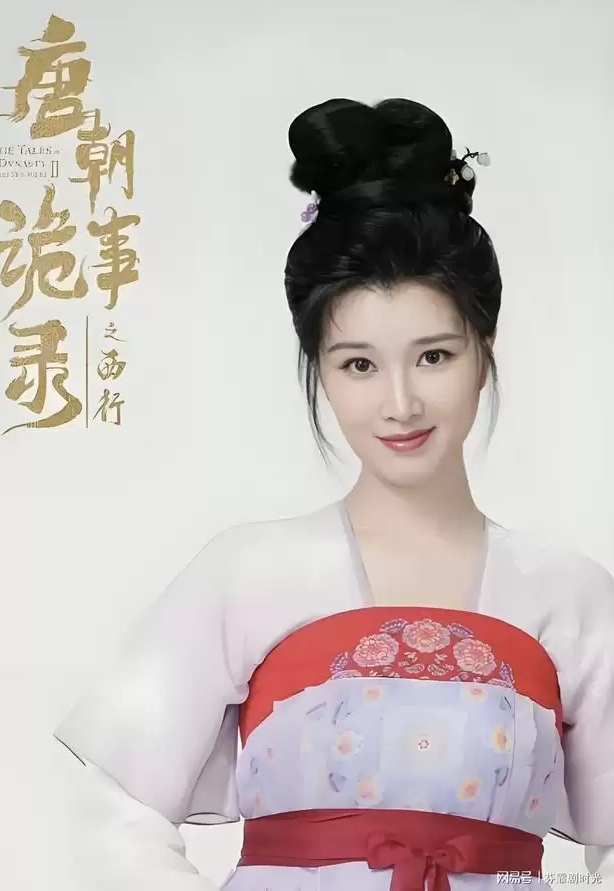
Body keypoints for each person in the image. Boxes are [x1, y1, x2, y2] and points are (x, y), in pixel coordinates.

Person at [53, 98, 614, 890]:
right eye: (358, 365)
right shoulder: (247, 571)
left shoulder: (571, 596)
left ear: (484, 352)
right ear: (319, 367)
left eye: (434, 356)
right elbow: (116, 808)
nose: (400, 403)